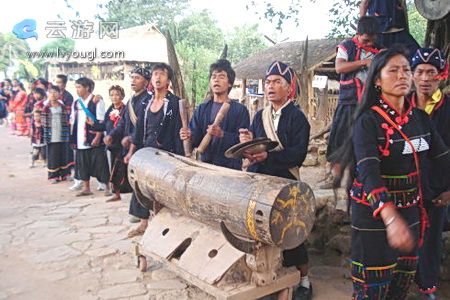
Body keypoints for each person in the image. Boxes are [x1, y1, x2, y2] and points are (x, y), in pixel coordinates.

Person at [330, 47, 450, 299]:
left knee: (400, 285)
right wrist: (391, 218)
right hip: (375, 217)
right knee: (372, 288)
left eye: (406, 70)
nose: (402, 75)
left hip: (412, 214)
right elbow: (368, 171)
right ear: (377, 79)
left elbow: (442, 158)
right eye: (393, 70)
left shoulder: (420, 118)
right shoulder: (367, 121)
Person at [239, 61, 312, 300]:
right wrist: (248, 145)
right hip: (263, 182)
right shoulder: (260, 116)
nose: (270, 86)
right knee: (262, 231)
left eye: (277, 82)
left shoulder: (298, 118)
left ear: (289, 87)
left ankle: (304, 280)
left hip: (286, 183)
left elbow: (298, 154)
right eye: (268, 82)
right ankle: (271, 277)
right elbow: (254, 148)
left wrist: (269, 156)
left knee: (291, 232)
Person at [322, 16, 382, 188]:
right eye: (366, 40)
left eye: (373, 40)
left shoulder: (380, 49)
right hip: (348, 103)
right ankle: (334, 179)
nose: (370, 44)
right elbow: (339, 68)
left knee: (367, 141)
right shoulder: (346, 46)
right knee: (339, 141)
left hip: (371, 105)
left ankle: (361, 180)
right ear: (358, 33)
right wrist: (365, 62)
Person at [126, 63, 184, 238]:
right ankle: (144, 224)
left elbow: (177, 130)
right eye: (155, 74)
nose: (158, 78)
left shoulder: (174, 103)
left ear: (168, 80)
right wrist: (131, 151)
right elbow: (138, 132)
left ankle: (163, 227)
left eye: (162, 75)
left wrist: (179, 157)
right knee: (142, 187)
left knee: (161, 192)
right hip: (146, 153)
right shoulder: (146, 102)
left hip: (166, 155)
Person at [410, 47, 450, 299]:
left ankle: (428, 288)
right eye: (420, 72)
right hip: (405, 187)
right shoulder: (401, 107)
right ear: (412, 75)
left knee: (431, 238)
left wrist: (448, 190)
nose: (425, 78)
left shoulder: (447, 109)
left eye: (431, 73)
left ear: (441, 75)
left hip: (437, 188)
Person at [180, 59, 250, 170]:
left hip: (229, 169)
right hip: (204, 165)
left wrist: (222, 135)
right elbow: (196, 136)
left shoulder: (240, 110)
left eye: (221, 77)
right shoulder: (202, 108)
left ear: (230, 83)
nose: (216, 80)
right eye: (213, 77)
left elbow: (243, 143)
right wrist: (189, 135)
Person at [106, 67, 152, 224]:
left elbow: (146, 127)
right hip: (129, 145)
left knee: (141, 181)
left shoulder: (149, 101)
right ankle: (138, 211)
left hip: (141, 146)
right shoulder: (131, 101)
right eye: (132, 77)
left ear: (146, 82)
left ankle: (141, 213)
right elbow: (123, 123)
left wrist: (132, 138)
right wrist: (112, 135)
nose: (133, 80)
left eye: (137, 78)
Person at [70, 77, 110, 197]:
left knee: (100, 163)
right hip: (80, 138)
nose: (77, 90)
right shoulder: (76, 103)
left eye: (79, 87)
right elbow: (73, 120)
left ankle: (108, 187)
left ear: (87, 87)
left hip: (93, 137)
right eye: (76, 87)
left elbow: (101, 121)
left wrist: (98, 137)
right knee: (83, 163)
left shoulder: (97, 101)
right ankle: (86, 188)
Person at [87, 85, 127, 202]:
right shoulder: (109, 110)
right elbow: (105, 125)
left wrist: (112, 135)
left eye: (117, 94)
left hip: (123, 145)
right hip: (112, 146)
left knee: (122, 169)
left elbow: (122, 126)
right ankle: (116, 193)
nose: (114, 97)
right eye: (112, 95)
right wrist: (93, 124)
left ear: (122, 96)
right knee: (113, 170)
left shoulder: (125, 110)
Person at [42, 86, 72, 183]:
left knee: (63, 154)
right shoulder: (46, 107)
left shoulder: (62, 106)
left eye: (55, 92)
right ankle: (53, 176)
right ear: (48, 94)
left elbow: (67, 119)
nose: (53, 94)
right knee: (53, 155)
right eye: (51, 92)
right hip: (51, 135)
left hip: (62, 133)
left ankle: (64, 174)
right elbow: (43, 122)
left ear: (59, 94)